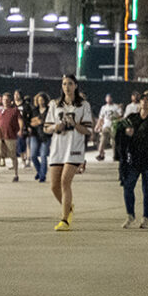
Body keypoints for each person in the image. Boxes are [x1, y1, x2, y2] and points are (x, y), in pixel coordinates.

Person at [115, 96, 148, 227]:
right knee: (128, 186)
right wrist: (125, 133)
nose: (145, 102)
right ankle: (130, 216)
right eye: (143, 99)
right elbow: (119, 132)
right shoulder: (131, 118)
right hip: (133, 160)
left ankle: (145, 218)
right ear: (139, 102)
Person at [44, 77, 92, 229]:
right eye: (64, 84)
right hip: (58, 148)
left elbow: (88, 130)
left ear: (75, 86)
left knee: (65, 181)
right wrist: (55, 127)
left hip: (74, 148)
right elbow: (46, 127)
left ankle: (64, 219)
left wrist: (75, 125)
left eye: (70, 84)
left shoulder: (83, 105)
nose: (67, 87)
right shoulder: (54, 104)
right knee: (54, 186)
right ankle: (69, 207)